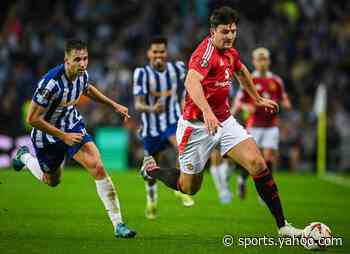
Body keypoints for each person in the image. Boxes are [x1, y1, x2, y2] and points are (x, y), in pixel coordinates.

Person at [140, 6, 302, 237]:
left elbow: (242, 70)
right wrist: (206, 111)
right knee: (189, 188)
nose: (230, 36)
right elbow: (191, 82)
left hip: (224, 121)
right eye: (225, 31)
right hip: (195, 127)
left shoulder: (230, 52)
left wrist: (257, 98)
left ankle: (283, 226)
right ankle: (152, 169)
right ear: (213, 31)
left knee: (258, 163)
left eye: (233, 31)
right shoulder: (205, 53)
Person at [12, 39, 136, 238]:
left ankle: (118, 224)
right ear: (66, 60)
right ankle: (25, 157)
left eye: (85, 58)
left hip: (71, 125)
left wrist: (114, 105)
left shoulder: (82, 74)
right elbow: (32, 119)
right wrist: (63, 136)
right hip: (47, 135)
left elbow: (87, 89)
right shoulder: (50, 84)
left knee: (98, 166)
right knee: (51, 181)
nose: (83, 63)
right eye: (77, 59)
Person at [133, 36, 194, 219]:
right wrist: (152, 108)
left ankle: (181, 188)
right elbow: (138, 104)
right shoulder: (141, 73)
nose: (158, 55)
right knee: (152, 167)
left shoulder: (178, 69)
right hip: (151, 127)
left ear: (166, 53)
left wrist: (188, 106)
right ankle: (152, 200)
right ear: (149, 53)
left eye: (161, 52)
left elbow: (190, 87)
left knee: (183, 148)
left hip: (173, 122)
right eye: (155, 52)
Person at [232, 47, 292, 200]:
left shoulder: (276, 81)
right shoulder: (249, 79)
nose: (262, 63)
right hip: (254, 126)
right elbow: (239, 101)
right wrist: (246, 107)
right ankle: (242, 179)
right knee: (254, 159)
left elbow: (283, 97)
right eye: (259, 60)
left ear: (269, 61)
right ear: (254, 62)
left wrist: (285, 103)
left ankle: (266, 189)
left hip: (271, 126)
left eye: (264, 59)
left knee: (269, 157)